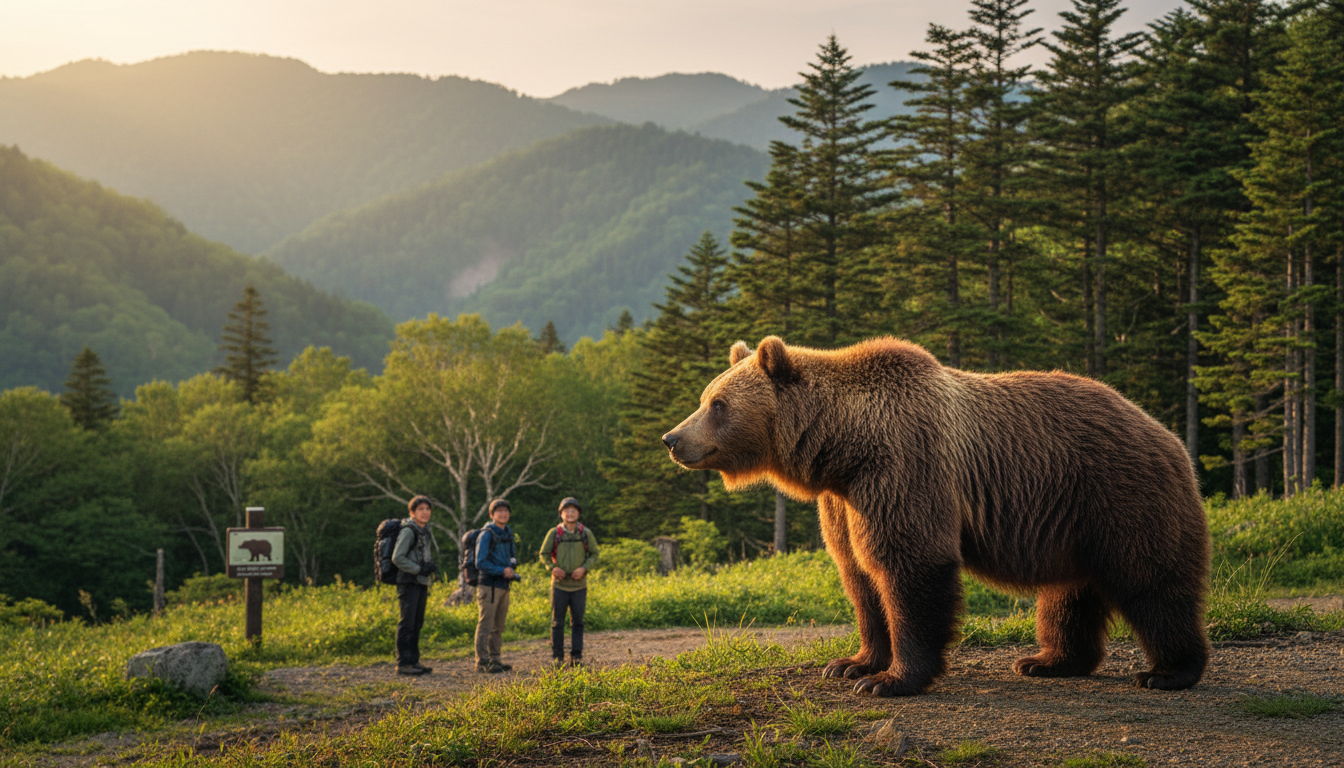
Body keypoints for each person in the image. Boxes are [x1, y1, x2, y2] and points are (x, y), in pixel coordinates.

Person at [538, 496, 599, 667]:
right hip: (559, 585)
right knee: (557, 622)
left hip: (579, 585)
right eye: (566, 511)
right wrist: (552, 568)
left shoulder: (585, 533)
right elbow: (544, 554)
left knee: (578, 622)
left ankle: (576, 657)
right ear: (561, 514)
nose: (570, 513)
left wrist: (584, 568)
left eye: (573, 510)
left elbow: (594, 554)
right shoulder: (554, 533)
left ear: (579, 513)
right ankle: (558, 658)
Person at [392, 495, 439, 676]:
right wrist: (419, 569)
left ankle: (413, 661)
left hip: (420, 582)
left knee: (417, 622)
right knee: (407, 623)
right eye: (421, 509)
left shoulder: (423, 530)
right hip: (408, 581)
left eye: (427, 509)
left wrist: (426, 569)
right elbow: (398, 557)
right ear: (412, 512)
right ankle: (403, 663)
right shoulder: (409, 531)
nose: (425, 512)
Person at [475, 498, 520, 673]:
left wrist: (511, 568)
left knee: (498, 625)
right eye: (499, 511)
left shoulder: (507, 533)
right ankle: (482, 662)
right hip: (489, 585)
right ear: (492, 514)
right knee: (485, 624)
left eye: (506, 511)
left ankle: (495, 659)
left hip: (504, 585)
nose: (503, 514)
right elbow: (480, 562)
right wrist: (502, 570)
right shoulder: (486, 534)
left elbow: (513, 557)